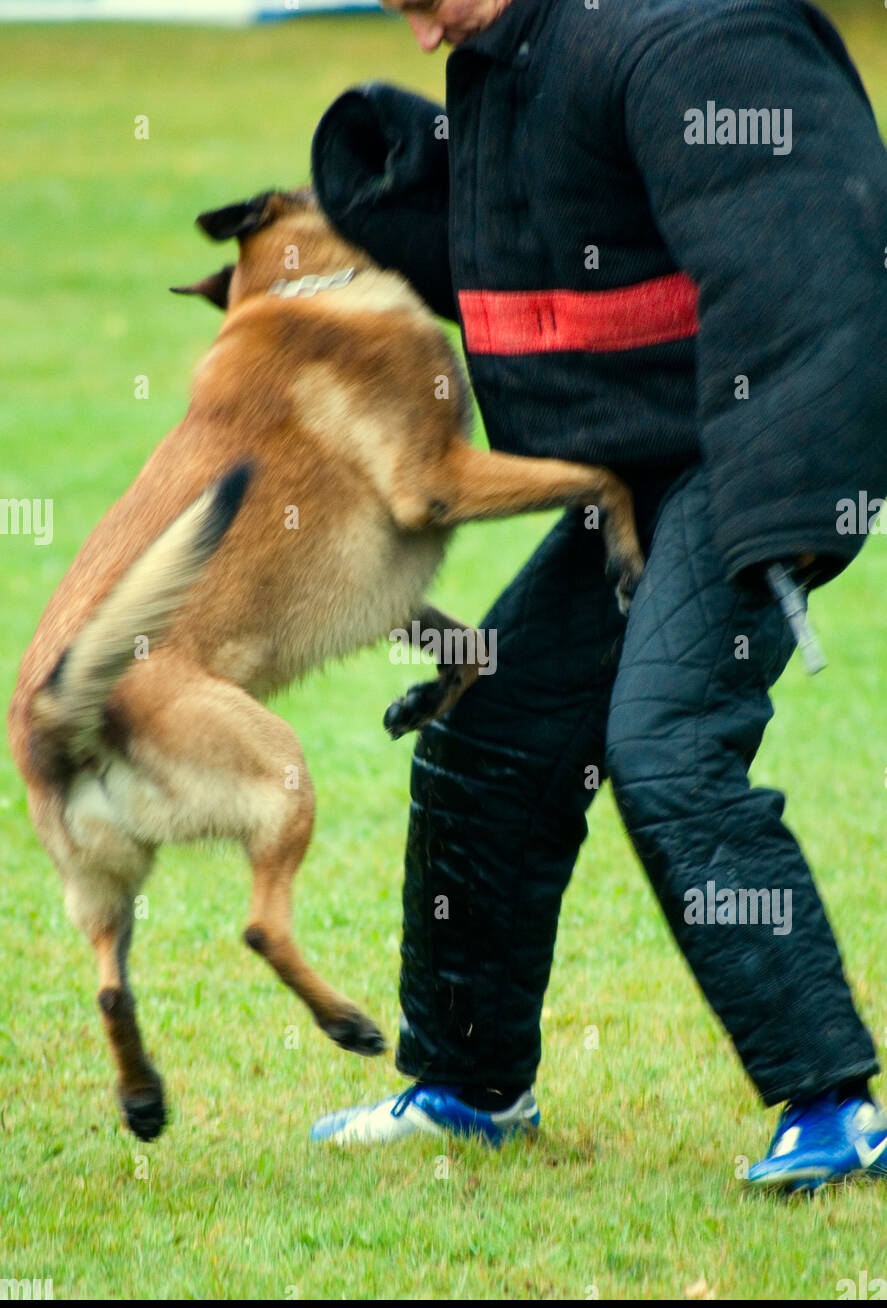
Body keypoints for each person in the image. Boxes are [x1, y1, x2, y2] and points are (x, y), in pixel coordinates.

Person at [308, 0, 887, 1190]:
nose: (417, 38)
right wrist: (399, 184)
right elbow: (579, 248)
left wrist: (788, 501)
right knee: (495, 728)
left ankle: (838, 1108)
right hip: (649, 469)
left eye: (424, 3)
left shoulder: (690, 38)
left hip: (757, 460)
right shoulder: (514, 49)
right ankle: (470, 1089)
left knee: (665, 740)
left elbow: (817, 264)